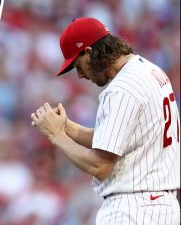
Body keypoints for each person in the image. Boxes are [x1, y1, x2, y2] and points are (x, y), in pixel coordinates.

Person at [31, 18, 180, 225]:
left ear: (90, 52)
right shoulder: (148, 70)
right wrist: (66, 127)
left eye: (78, 65)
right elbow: (116, 139)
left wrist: (56, 136)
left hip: (133, 210)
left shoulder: (122, 88)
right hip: (161, 208)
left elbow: (100, 166)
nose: (80, 75)